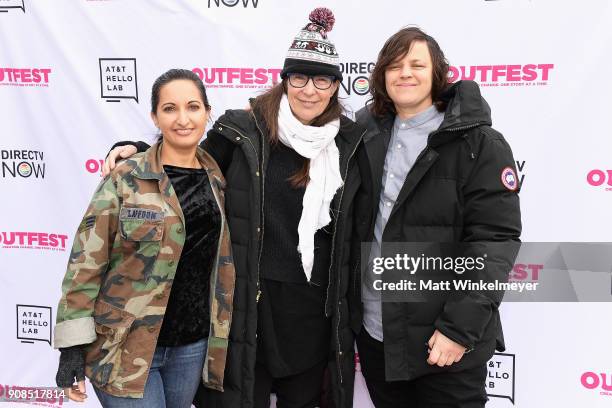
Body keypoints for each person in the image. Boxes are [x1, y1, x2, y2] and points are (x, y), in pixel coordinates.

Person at [103, 8, 371, 408]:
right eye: (298, 77)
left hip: (313, 313)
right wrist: (140, 152)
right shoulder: (242, 130)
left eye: (322, 79)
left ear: (335, 85)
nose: (309, 90)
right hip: (248, 307)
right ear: (284, 81)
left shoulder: (350, 143)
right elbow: (190, 166)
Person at [352, 26, 522, 408]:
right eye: (394, 65)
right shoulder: (365, 133)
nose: (405, 73)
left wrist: (458, 330)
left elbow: (494, 243)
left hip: (443, 343)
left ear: (437, 73)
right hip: (378, 337)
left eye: (417, 64)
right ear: (381, 76)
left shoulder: (479, 144)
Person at [53, 69, 236, 408]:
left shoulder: (216, 176)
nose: (182, 118)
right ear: (155, 116)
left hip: (191, 348)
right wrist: (71, 347)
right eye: (169, 108)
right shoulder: (126, 177)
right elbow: (85, 262)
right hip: (124, 347)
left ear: (207, 112)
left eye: (192, 107)